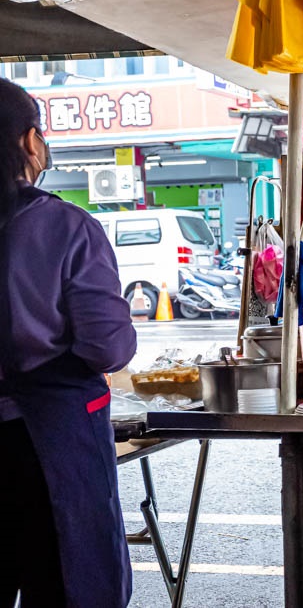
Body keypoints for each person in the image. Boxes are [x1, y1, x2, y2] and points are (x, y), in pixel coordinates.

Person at [0, 78, 137, 607]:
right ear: (30, 142)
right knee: (67, 584)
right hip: (48, 447)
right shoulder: (67, 228)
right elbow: (108, 347)